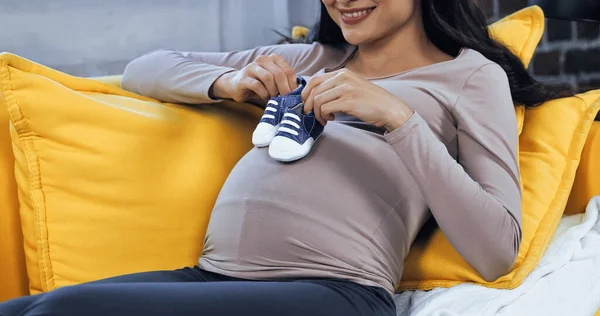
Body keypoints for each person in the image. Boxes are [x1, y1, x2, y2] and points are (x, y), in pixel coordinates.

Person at [0, 0, 570, 315]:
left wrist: (399, 119)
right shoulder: (313, 56)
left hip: (333, 294)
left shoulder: (472, 77)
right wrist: (230, 83)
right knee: (20, 311)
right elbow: (145, 68)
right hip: (213, 279)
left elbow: (498, 248)